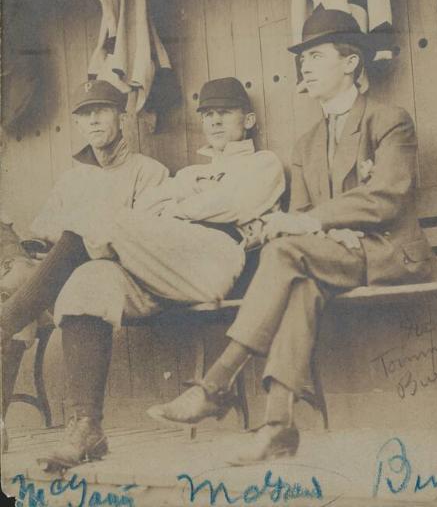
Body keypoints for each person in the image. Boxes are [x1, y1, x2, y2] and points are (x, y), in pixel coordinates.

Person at [149, 6, 437, 465]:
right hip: (334, 256)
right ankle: (279, 425)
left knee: (287, 253)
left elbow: (388, 196)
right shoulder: (305, 143)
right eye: (302, 57)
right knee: (299, 281)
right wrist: (321, 228)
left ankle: (217, 383)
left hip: (390, 254)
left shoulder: (389, 119)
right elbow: (304, 213)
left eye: (316, 55)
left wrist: (318, 225)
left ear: (351, 62)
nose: (304, 64)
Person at [37, 76, 285, 471]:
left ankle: (11, 316)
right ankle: (87, 428)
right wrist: (186, 203)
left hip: (215, 261)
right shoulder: (188, 174)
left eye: (225, 113)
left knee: (102, 218)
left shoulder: (263, 163)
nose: (215, 122)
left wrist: (181, 206)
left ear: (249, 120)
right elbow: (151, 210)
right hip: (161, 265)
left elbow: (235, 205)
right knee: (88, 282)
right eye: (208, 114)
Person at [1, 79, 169, 451]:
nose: (93, 121)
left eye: (101, 111)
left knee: (79, 259)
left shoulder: (148, 171)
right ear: (77, 124)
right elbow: (43, 229)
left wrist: (85, 227)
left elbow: (144, 237)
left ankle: (5, 321)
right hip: (65, 271)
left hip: (122, 273)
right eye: (84, 115)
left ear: (121, 117)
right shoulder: (72, 178)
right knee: (14, 284)